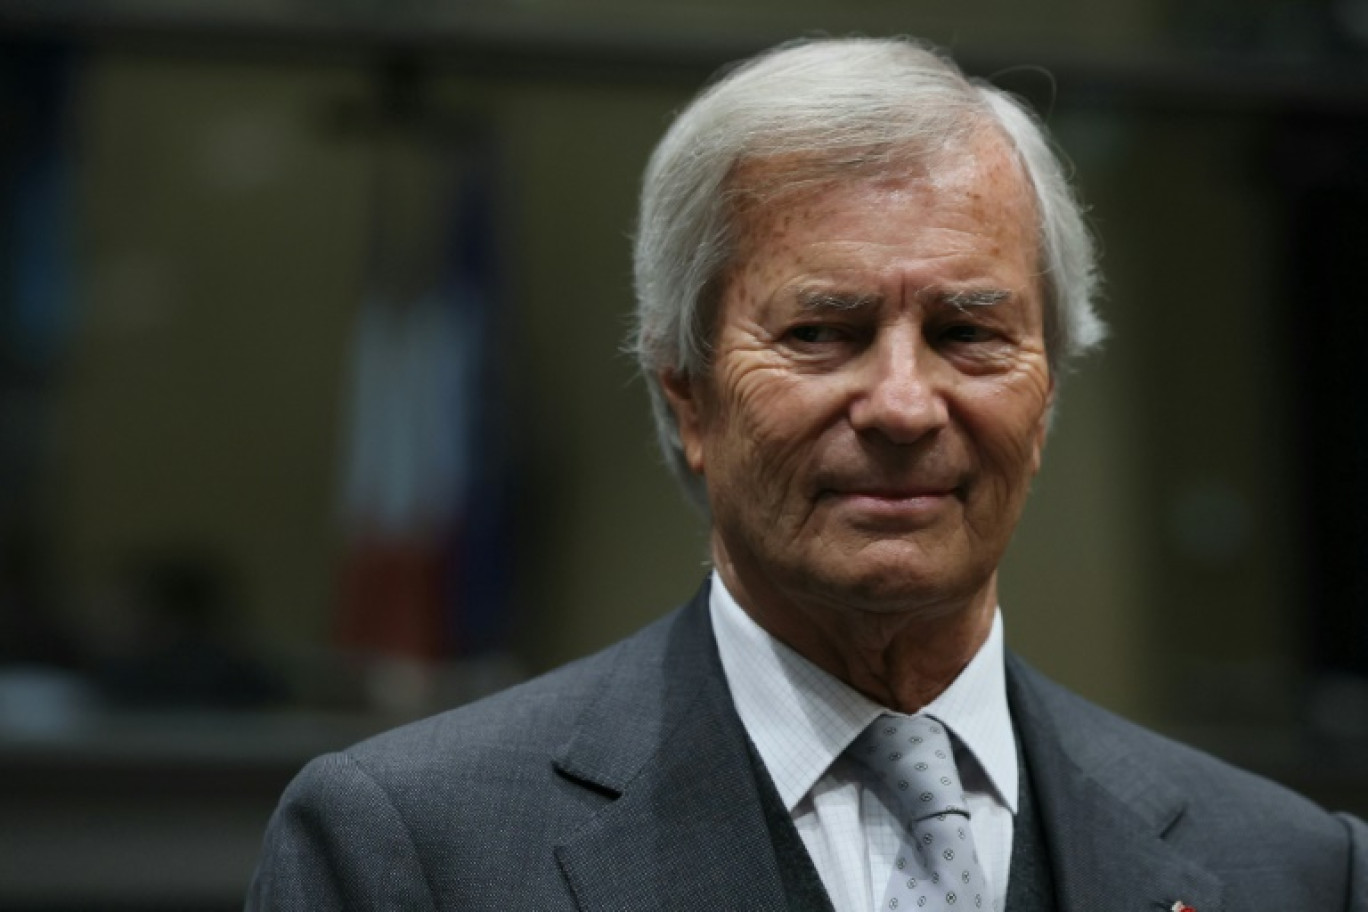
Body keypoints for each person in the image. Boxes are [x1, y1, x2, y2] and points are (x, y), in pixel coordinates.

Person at [248, 37, 1367, 911]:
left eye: (969, 332)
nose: (901, 403)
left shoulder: (1293, 873)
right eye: (823, 331)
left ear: (1050, 388)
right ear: (685, 391)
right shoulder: (412, 852)